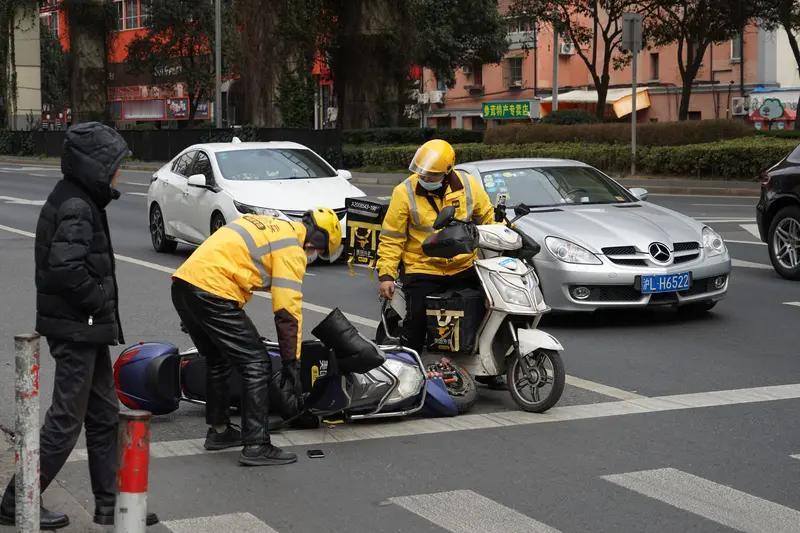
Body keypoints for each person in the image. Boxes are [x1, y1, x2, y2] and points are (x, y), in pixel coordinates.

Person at [0, 122, 158, 529]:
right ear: (95, 167)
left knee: (103, 414)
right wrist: (98, 300)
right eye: (114, 165)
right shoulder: (77, 206)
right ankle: (18, 499)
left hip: (85, 328)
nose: (119, 173)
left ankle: (110, 502)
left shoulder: (79, 198)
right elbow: (65, 269)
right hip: (77, 328)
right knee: (66, 419)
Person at [171, 208, 342, 466]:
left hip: (184, 285)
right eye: (318, 252)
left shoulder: (271, 226)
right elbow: (287, 311)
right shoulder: (292, 249)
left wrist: (197, 315)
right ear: (313, 244)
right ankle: (256, 444)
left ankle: (219, 432)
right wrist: (291, 362)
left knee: (218, 360)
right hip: (213, 292)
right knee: (257, 364)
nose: (313, 256)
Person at [376, 139, 505, 389]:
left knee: (487, 311)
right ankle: (408, 377)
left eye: (432, 174)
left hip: (463, 266)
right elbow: (392, 237)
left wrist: (506, 233)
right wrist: (386, 276)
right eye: (423, 173)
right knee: (416, 323)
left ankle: (487, 370)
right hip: (422, 268)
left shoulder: (468, 185)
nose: (426, 177)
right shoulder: (404, 192)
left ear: (447, 171)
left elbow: (488, 218)